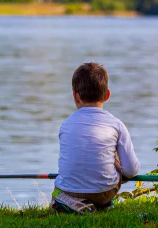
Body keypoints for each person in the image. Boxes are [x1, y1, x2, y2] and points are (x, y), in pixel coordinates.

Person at [51, 62, 140, 214]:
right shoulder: (116, 124)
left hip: (70, 190)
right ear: (107, 95)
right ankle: (103, 204)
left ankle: (64, 202)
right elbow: (131, 170)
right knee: (114, 154)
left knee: (57, 191)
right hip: (105, 192)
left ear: (75, 96)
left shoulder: (65, 124)